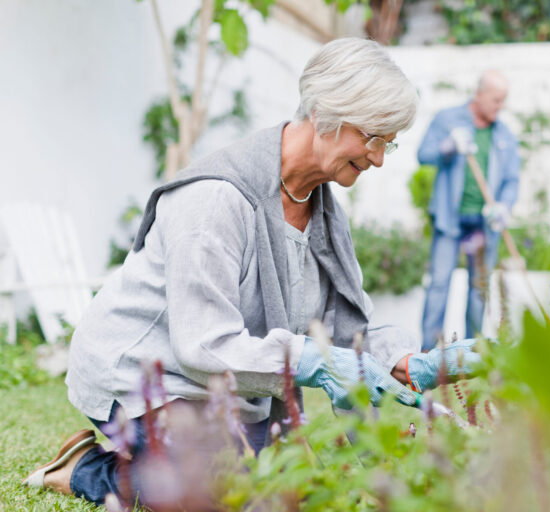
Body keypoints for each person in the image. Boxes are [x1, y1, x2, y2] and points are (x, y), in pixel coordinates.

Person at [22, 38, 478, 506]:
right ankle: (84, 468)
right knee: (229, 489)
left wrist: (403, 359)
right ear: (327, 115)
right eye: (373, 138)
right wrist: (316, 361)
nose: (380, 158)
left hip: (222, 385)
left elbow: (346, 330)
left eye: (390, 143)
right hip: (143, 371)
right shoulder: (216, 198)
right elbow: (202, 344)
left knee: (292, 481)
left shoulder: (323, 211)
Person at [418, 70, 520, 350]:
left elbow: (512, 179)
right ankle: (427, 354)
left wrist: (504, 206)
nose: (500, 107)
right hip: (449, 220)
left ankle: (469, 354)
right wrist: (448, 147)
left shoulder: (504, 134)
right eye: (496, 100)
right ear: (480, 94)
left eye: (503, 101)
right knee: (439, 285)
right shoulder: (448, 119)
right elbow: (423, 155)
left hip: (485, 224)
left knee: (479, 289)